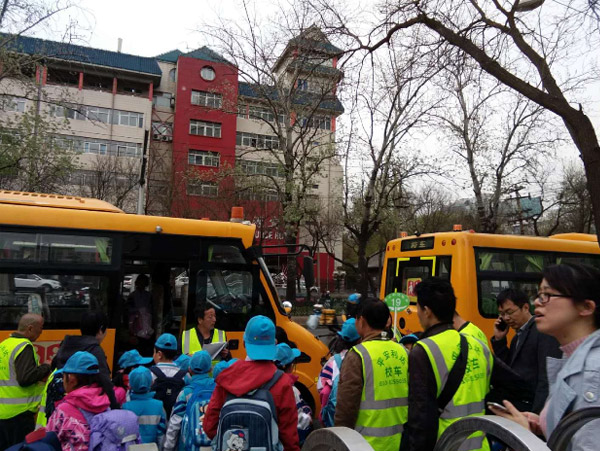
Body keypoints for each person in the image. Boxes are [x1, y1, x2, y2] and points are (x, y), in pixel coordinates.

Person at [489, 263, 600, 451]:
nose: (537, 303)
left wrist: (528, 440)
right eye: (539, 295)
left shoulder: (592, 372)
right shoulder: (572, 356)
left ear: (586, 307)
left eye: (547, 295)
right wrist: (541, 424)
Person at [403, 278, 492, 451]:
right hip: (480, 446)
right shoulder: (479, 345)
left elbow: (421, 420)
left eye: (418, 308)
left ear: (427, 311)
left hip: (447, 445)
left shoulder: (423, 351)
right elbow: (508, 387)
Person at [203, 315, 300, 451]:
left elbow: (209, 426)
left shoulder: (227, 377)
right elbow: (289, 438)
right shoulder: (282, 382)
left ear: (244, 343)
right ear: (274, 343)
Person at [335, 300, 409, 450]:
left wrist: (340, 442)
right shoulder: (404, 352)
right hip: (401, 442)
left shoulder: (357, 355)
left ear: (361, 320)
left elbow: (346, 408)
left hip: (366, 444)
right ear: (387, 321)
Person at [490, 288, 561, 413]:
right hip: (519, 401)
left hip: (532, 405)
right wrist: (499, 339)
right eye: (502, 314)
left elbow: (546, 377)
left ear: (526, 308)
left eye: (510, 312)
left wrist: (537, 413)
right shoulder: (517, 336)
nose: (506, 318)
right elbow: (508, 369)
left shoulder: (541, 332)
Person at [46, 311, 119, 416]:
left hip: (57, 405)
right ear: (100, 330)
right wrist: (115, 407)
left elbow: (54, 365)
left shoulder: (66, 344)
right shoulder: (94, 350)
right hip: (80, 408)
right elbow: (105, 381)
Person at [0, 313, 51, 449]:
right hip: (19, 415)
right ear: (30, 328)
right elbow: (25, 378)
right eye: (40, 328)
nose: (41, 332)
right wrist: (46, 366)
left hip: (3, 413)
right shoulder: (24, 346)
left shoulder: (4, 345)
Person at [46, 351, 111, 451]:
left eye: (63, 376)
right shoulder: (105, 403)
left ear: (71, 379)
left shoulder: (64, 410)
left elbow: (49, 439)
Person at [163, 350, 215, 451]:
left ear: (189, 369)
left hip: (191, 446)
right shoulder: (219, 390)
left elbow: (175, 423)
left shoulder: (186, 393)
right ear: (210, 369)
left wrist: (168, 447)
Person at [318, 318, 360, 413]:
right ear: (360, 340)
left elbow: (321, 387)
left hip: (335, 413)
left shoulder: (332, 362)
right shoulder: (362, 360)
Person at [275, 343, 313, 445]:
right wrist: (308, 416)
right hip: (289, 441)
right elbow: (301, 421)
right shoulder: (291, 389)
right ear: (291, 366)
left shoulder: (268, 384)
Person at [122, 366, 166, 446]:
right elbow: (161, 435)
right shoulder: (159, 406)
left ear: (130, 385)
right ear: (151, 383)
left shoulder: (125, 407)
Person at [150, 333, 186, 418]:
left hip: (155, 420)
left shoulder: (149, 374)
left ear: (159, 354)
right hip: (176, 420)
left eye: (154, 352)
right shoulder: (184, 375)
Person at [127, 274, 154, 354]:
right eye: (140, 282)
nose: (142, 285)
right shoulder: (132, 296)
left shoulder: (149, 296)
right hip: (135, 326)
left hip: (147, 326)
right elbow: (128, 310)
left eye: (144, 283)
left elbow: (152, 310)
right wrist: (138, 311)